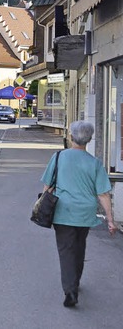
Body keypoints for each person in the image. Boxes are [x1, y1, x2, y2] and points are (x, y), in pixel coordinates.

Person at [40, 120, 116, 308]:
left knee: (66, 250)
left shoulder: (58, 157)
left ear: (71, 137)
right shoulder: (95, 163)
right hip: (85, 213)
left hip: (63, 211)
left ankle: (70, 290)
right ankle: (76, 281)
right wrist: (110, 219)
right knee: (79, 247)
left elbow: (47, 186)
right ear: (88, 140)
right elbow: (103, 194)